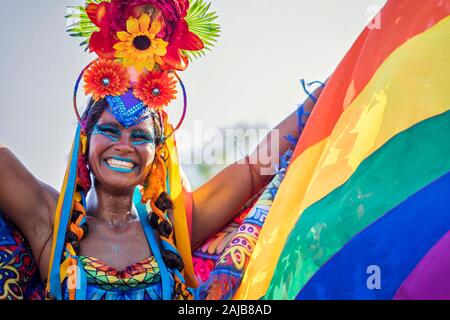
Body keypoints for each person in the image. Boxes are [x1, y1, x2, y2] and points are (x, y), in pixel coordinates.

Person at [0, 0, 323, 300]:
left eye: (140, 137)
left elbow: (255, 168)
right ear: (85, 139)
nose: (124, 146)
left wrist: (325, 96)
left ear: (159, 152)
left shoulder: (174, 226)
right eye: (110, 131)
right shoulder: (50, 221)